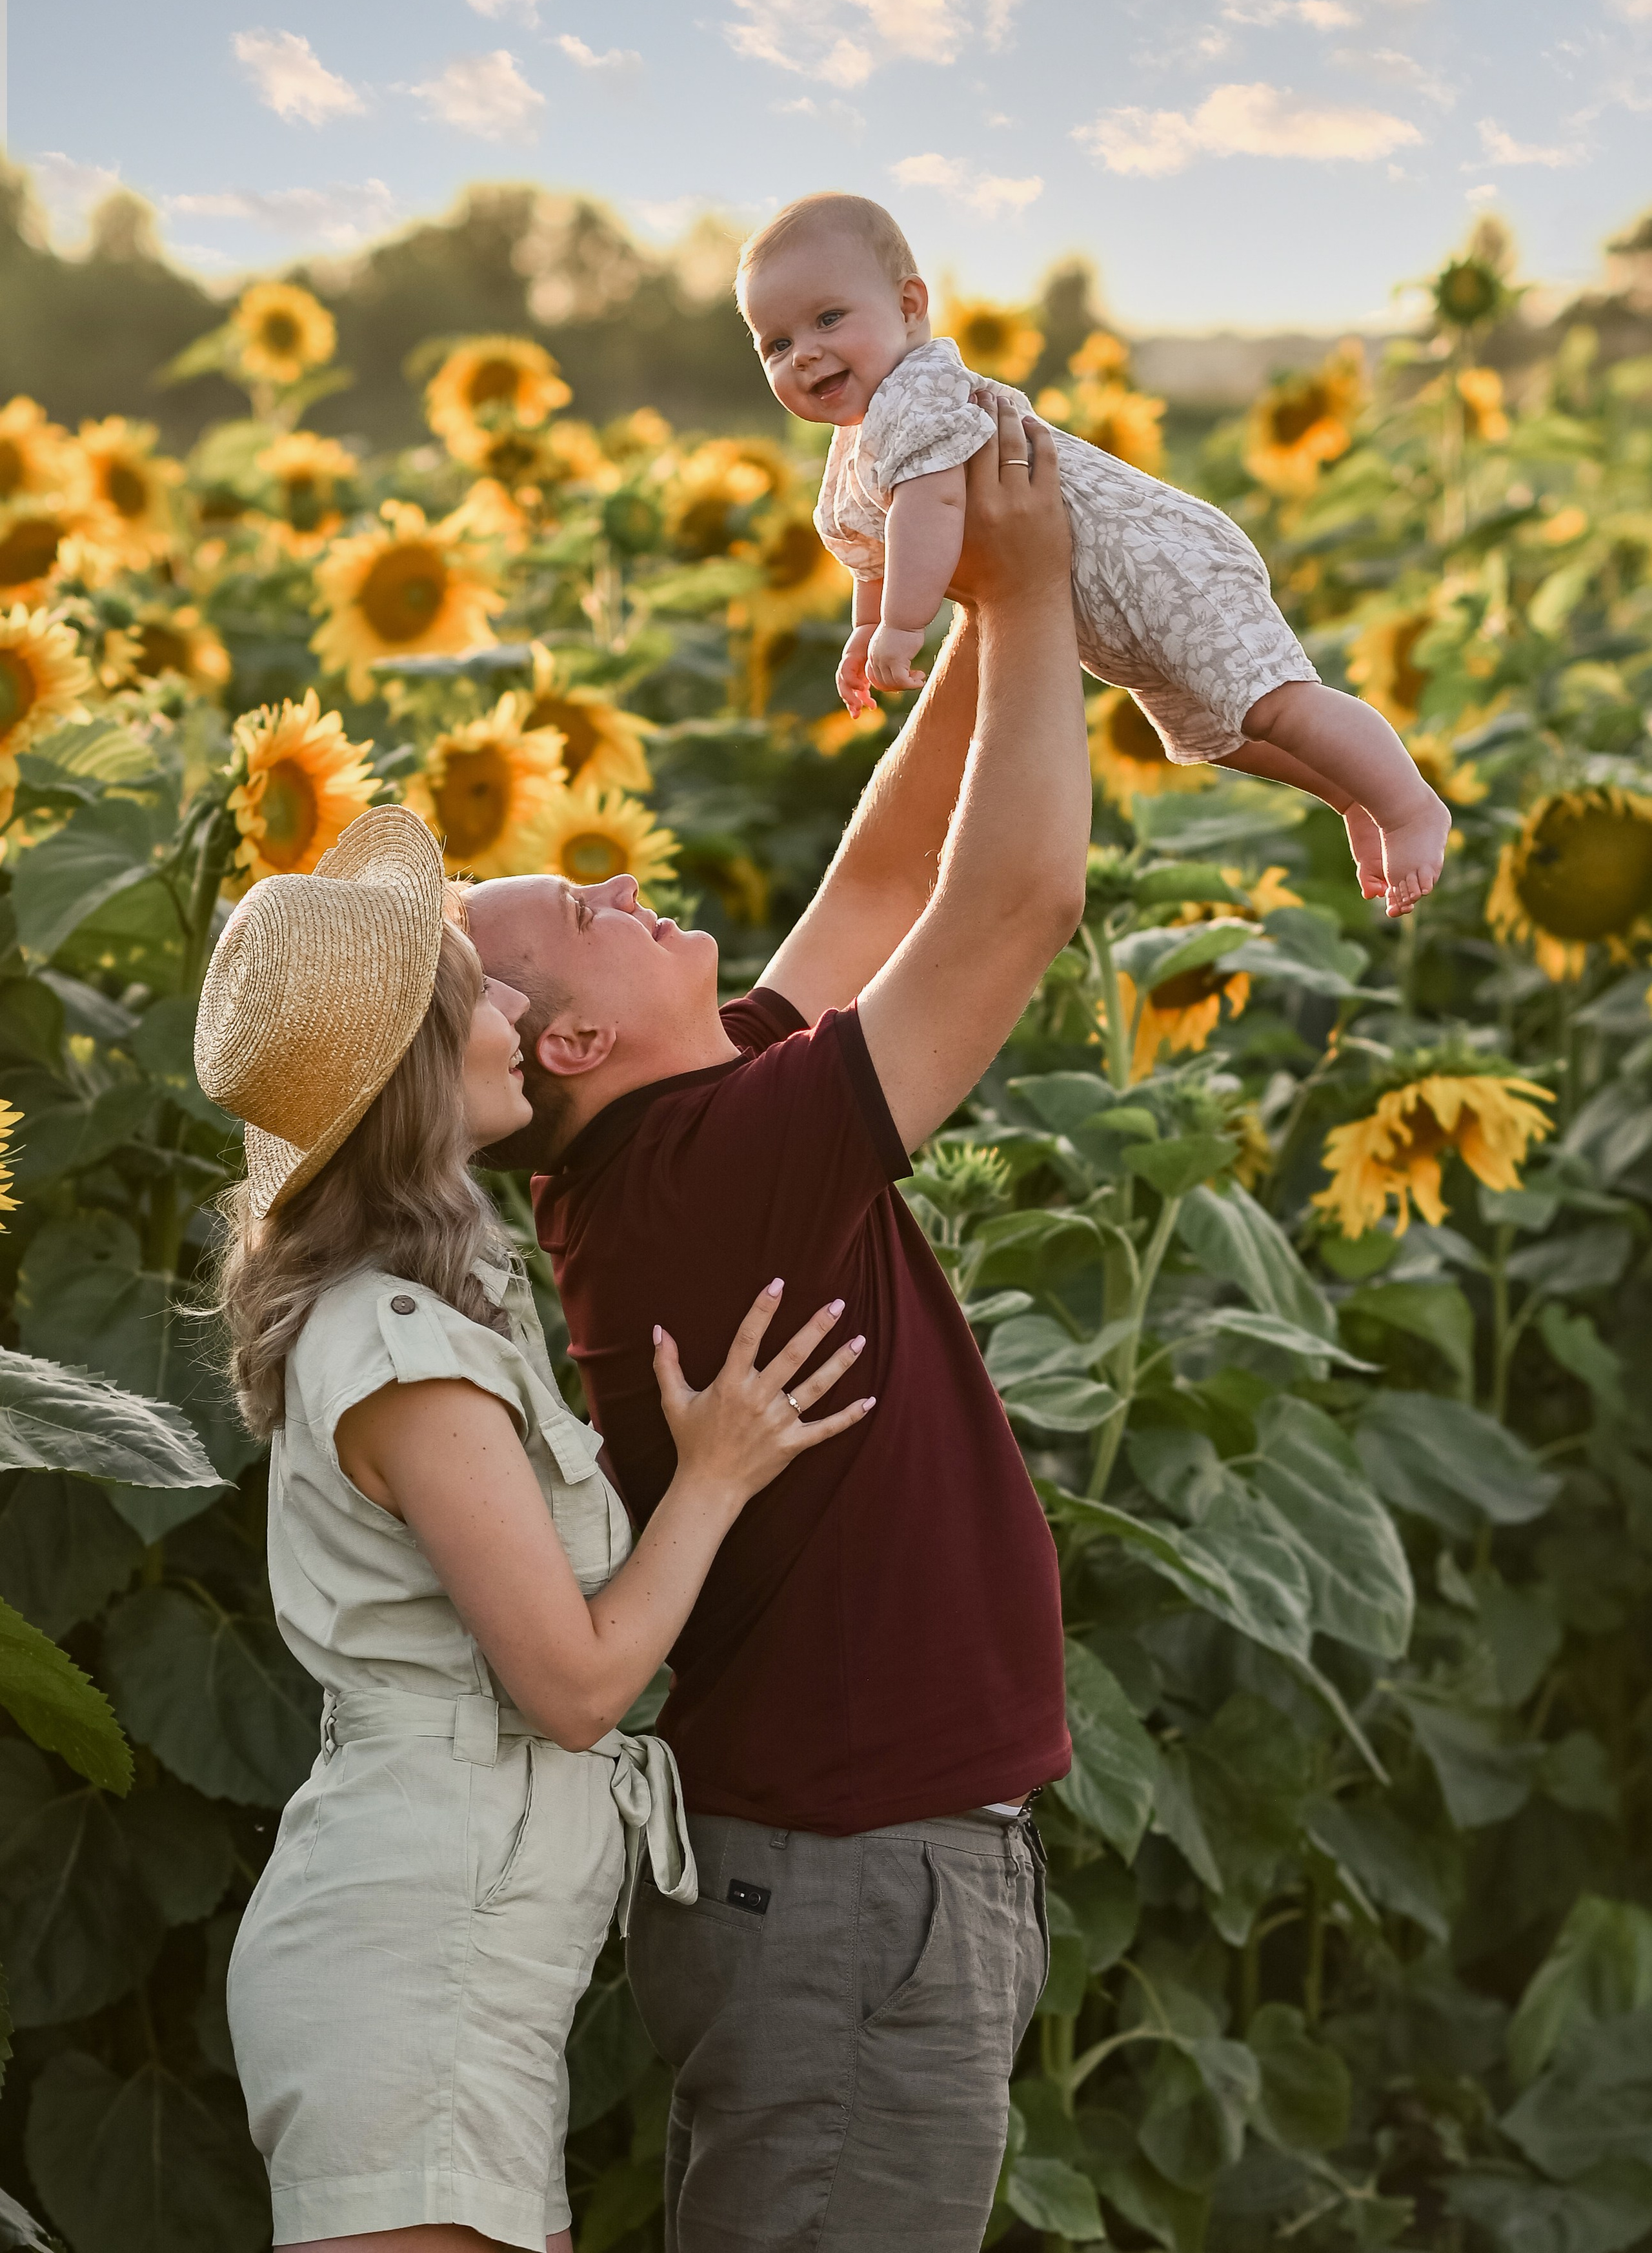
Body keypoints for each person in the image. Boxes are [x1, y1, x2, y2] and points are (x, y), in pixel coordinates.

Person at [465, 395, 1090, 2253]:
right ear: (569, 1045)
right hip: (849, 1879)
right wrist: (1047, 605)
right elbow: (1015, 905)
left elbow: (892, 880)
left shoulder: (688, 1124)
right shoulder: (703, 1175)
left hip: (853, 1867)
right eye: (588, 908)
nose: (634, 885)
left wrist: (977, 606)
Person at [194, 803, 872, 2253]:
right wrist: (714, 1475)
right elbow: (572, 1689)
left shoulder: (426, 1318)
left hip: (453, 1955)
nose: (510, 1006)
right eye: (476, 996)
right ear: (417, 1074)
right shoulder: (399, 1353)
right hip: (412, 1969)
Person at [737, 189, 1451, 919]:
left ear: (910, 304)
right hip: (1098, 610)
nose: (806, 353)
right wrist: (865, 626)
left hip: (1156, 563)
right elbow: (875, 550)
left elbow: (932, 507)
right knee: (1227, 733)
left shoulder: (915, 392)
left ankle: (1409, 805)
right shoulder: (855, 443)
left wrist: (898, 626)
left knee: (1276, 704)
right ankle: (1349, 793)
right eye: (777, 344)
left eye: (828, 318)